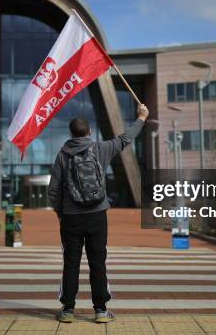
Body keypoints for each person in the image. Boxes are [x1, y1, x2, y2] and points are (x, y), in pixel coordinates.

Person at [48, 103, 149, 323]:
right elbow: (125, 139)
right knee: (97, 261)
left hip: (70, 217)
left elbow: (53, 189)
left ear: (71, 133)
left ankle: (67, 310)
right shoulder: (100, 149)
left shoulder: (62, 155)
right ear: (89, 132)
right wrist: (141, 117)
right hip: (97, 214)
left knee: (71, 262)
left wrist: (60, 211)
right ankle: (101, 310)